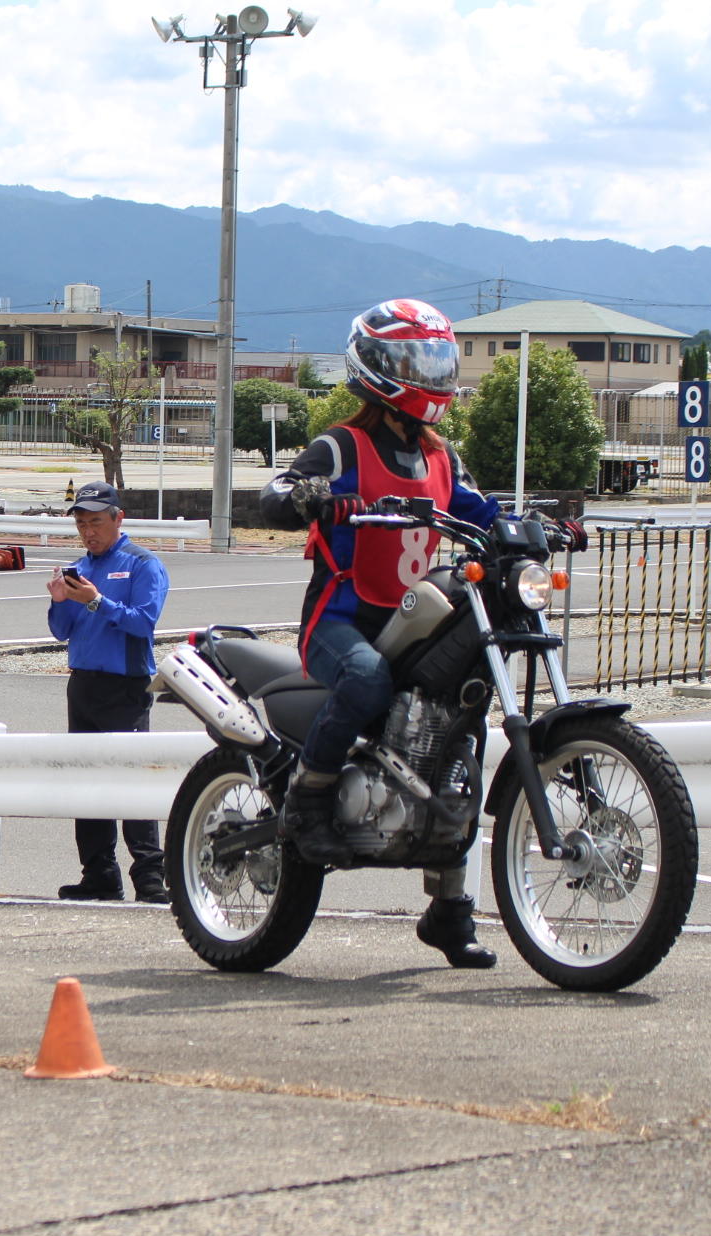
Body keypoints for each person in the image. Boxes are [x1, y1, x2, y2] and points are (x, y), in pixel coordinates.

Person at [260, 298, 503, 968]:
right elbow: (276, 494)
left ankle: (450, 911)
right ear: (376, 367)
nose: (431, 376)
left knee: (462, 722)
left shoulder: (443, 459)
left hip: (410, 621)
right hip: (338, 622)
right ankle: (307, 801)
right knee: (366, 679)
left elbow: (485, 512)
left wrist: (539, 528)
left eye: (436, 361)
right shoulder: (343, 444)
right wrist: (313, 496)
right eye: (414, 361)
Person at [46, 481, 171, 903]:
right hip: (82, 683)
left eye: (96, 522)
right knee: (87, 783)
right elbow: (61, 632)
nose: (88, 532)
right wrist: (62, 599)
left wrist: (97, 601)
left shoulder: (142, 564)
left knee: (133, 781)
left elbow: (144, 623)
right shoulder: (79, 566)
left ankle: (151, 878)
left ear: (119, 519)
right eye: (81, 524)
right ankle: (99, 875)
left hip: (126, 686)